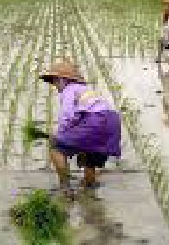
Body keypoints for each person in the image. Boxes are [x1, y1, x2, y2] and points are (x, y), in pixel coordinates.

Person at [39, 59, 121, 196]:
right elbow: (82, 116)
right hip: (112, 121)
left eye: (54, 81)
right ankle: (89, 184)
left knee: (55, 147)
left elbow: (68, 115)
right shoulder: (86, 90)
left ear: (62, 80)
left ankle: (65, 187)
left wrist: (60, 136)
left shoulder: (69, 90)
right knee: (90, 151)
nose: (54, 85)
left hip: (95, 120)